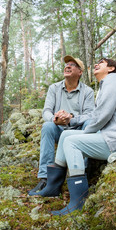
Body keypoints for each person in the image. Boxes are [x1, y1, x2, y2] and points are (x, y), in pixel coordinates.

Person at [31, 58, 116, 216]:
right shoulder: (105, 85)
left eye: (101, 62)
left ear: (111, 68)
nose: (96, 64)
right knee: (66, 134)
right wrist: (70, 120)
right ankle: (53, 186)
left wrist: (85, 133)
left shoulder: (114, 79)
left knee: (72, 142)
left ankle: (77, 201)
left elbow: (103, 115)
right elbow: (97, 114)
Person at [28, 55, 95, 195]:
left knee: (89, 124)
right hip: (59, 128)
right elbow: (46, 111)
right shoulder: (54, 88)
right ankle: (45, 178)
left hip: (77, 130)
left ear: (80, 72)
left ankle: (86, 173)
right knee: (47, 126)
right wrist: (55, 119)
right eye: (67, 64)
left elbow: (90, 115)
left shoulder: (87, 91)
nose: (68, 66)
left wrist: (71, 118)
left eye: (73, 64)